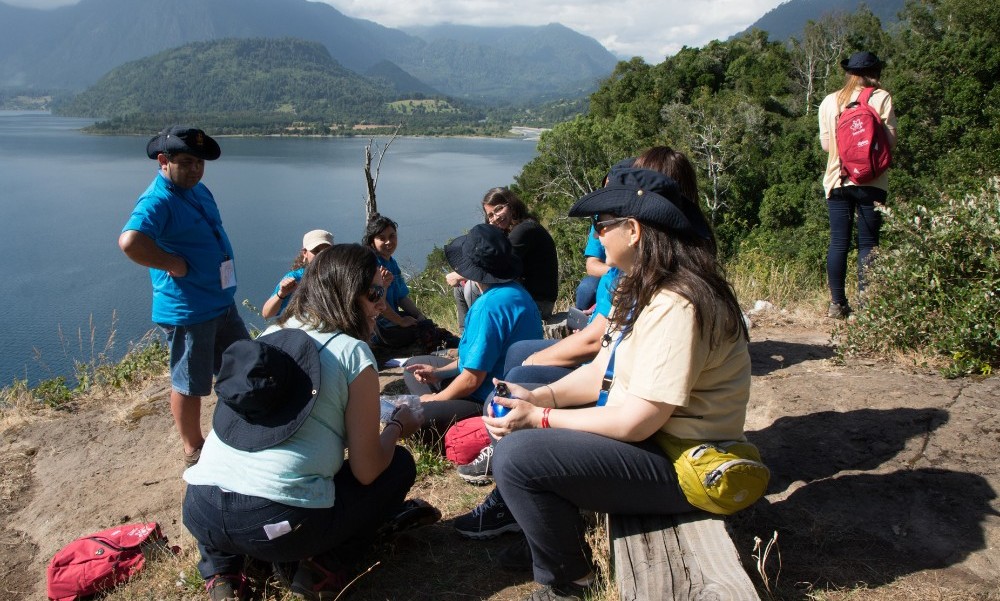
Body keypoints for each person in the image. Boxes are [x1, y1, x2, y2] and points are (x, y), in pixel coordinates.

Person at [473, 167, 751, 601]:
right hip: (654, 443)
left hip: (682, 462)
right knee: (521, 396)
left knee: (518, 456)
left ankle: (567, 581)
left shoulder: (679, 304)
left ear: (634, 230)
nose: (598, 237)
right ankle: (546, 534)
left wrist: (541, 418)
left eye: (602, 226)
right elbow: (602, 369)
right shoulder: (644, 287)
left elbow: (638, 422)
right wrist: (537, 395)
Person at [183, 244, 436, 601]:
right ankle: (324, 567)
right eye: (374, 293)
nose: (381, 304)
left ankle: (223, 572)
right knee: (397, 466)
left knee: (233, 478)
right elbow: (365, 471)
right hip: (275, 525)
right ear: (349, 295)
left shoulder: (270, 336)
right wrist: (397, 427)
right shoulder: (353, 352)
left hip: (200, 509)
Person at [119, 125, 249, 467]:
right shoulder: (157, 200)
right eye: (187, 162)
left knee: (243, 364)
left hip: (220, 301)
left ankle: (244, 425)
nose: (195, 169)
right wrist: (170, 263)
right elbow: (130, 242)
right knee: (190, 383)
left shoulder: (198, 190)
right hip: (190, 309)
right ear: (164, 161)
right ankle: (194, 449)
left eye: (200, 163)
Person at [405, 224, 544, 433]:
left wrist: (435, 399)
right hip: (515, 387)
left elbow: (471, 380)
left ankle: (471, 423)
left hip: (491, 398)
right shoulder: (517, 292)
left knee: (418, 417)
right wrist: (439, 373)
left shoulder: (487, 307)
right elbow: (478, 359)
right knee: (415, 365)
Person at [818, 50, 897, 319]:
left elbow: (827, 145)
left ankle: (837, 304)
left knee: (839, 242)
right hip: (872, 181)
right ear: (875, 72)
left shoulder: (830, 101)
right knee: (868, 243)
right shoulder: (881, 97)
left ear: (849, 72)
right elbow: (891, 142)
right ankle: (867, 306)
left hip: (837, 179)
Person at [447, 188, 558, 329]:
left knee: (471, 286)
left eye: (499, 209)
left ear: (511, 205)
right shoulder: (512, 230)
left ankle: (481, 332)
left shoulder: (525, 230)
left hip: (537, 304)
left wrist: (459, 274)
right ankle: (466, 333)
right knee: (460, 289)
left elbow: (495, 264)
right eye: (490, 215)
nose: (495, 217)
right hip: (524, 295)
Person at [362, 213, 458, 350]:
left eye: (392, 236)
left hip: (391, 321)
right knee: (424, 332)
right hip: (379, 327)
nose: (388, 242)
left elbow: (402, 297)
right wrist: (400, 321)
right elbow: (378, 306)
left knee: (424, 324)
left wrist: (419, 315)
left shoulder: (391, 263)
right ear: (372, 242)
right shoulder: (373, 265)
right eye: (382, 238)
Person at [261, 229, 334, 319]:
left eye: (326, 251)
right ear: (305, 253)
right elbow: (266, 313)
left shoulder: (338, 276)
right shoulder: (295, 278)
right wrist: (281, 294)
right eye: (316, 251)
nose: (320, 255)